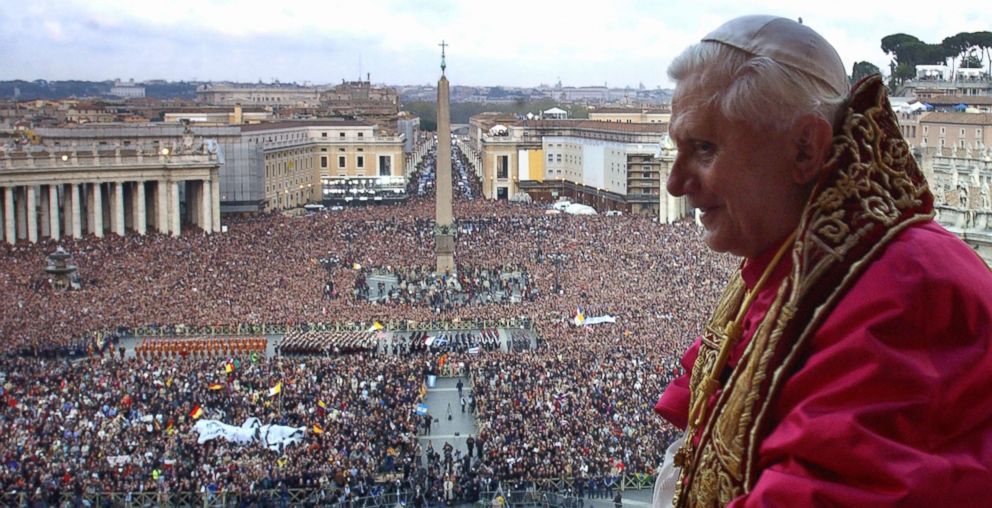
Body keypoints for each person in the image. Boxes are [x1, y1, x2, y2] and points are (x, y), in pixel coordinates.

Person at [653, 14, 992, 508]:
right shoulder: (794, 258)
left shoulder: (904, 296)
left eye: (703, 149)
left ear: (806, 149)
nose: (675, 183)